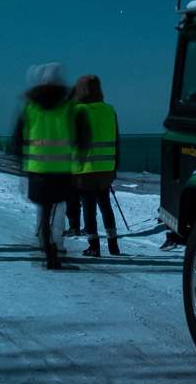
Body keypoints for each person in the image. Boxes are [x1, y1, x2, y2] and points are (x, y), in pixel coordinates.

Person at [11, 62, 77, 269]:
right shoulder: (69, 106)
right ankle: (56, 245)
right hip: (63, 170)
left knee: (44, 210)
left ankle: (47, 247)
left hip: (37, 169)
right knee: (59, 210)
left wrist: (22, 164)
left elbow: (18, 139)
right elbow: (81, 136)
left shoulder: (30, 107)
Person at [72, 74, 121, 258]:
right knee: (106, 206)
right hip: (107, 167)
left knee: (89, 208)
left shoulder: (78, 111)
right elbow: (117, 140)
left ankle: (94, 246)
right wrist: (115, 166)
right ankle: (113, 245)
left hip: (85, 169)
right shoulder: (110, 110)